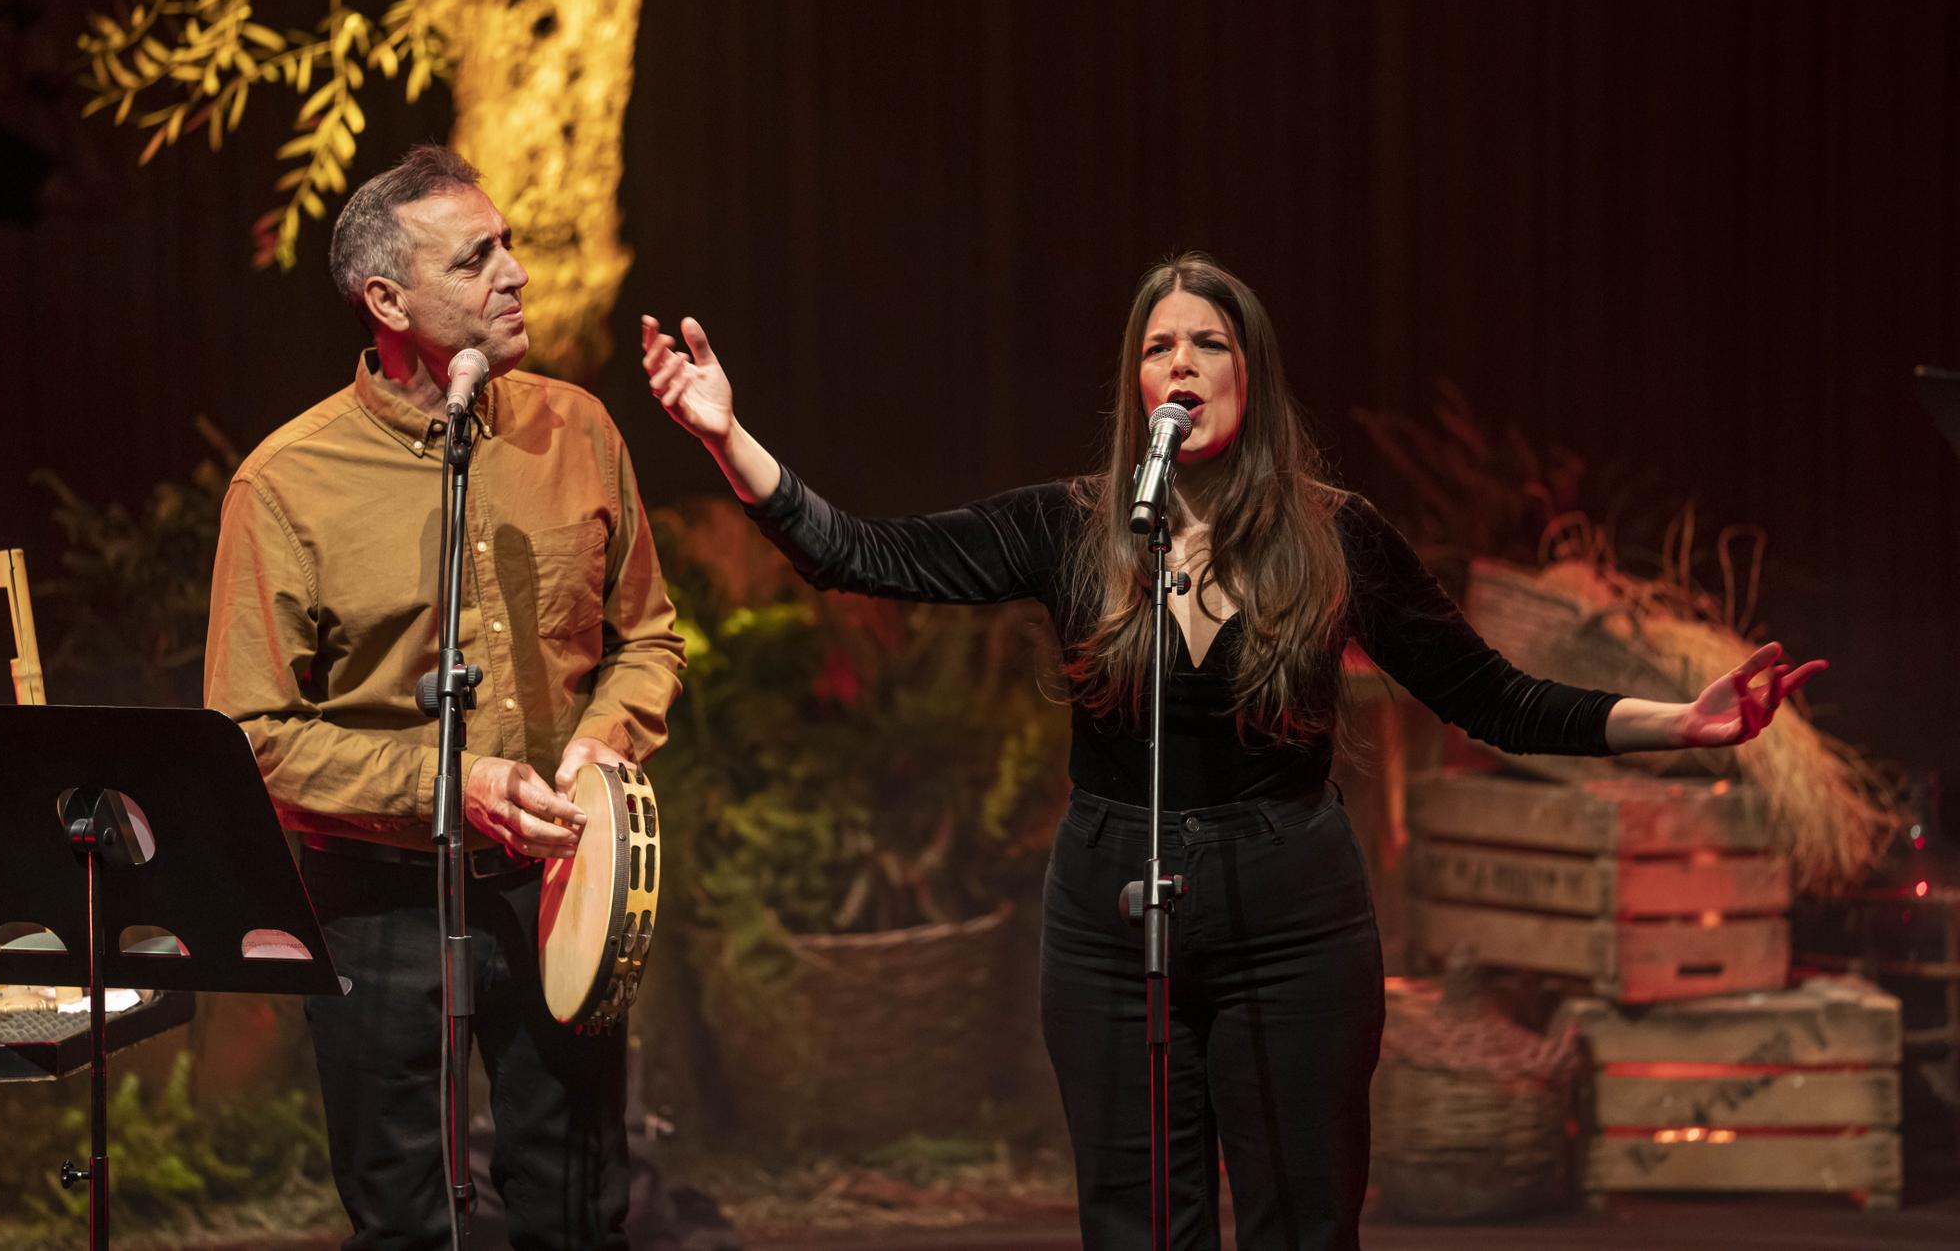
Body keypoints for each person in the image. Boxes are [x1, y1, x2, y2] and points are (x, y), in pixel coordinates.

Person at [639, 253, 1822, 1251]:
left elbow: (1491, 697)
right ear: (1133, 382)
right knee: (1136, 1220)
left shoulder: (1332, 537)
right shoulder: (1075, 526)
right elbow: (863, 553)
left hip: (1289, 913)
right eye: (1158, 350)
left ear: (1248, 375)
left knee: (1301, 1217)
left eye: (1207, 345)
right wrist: (728, 436)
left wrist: (1677, 723)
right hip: (1110, 908)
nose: (1181, 368)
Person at [205, 144, 685, 1250]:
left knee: (577, 1203)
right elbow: (252, 736)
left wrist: (603, 744)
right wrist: (452, 782)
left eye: (508, 245)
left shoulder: (579, 431)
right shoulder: (286, 482)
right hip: (375, 899)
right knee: (407, 1217)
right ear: (386, 298)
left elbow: (648, 634)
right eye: (476, 258)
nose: (514, 272)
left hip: (557, 876)